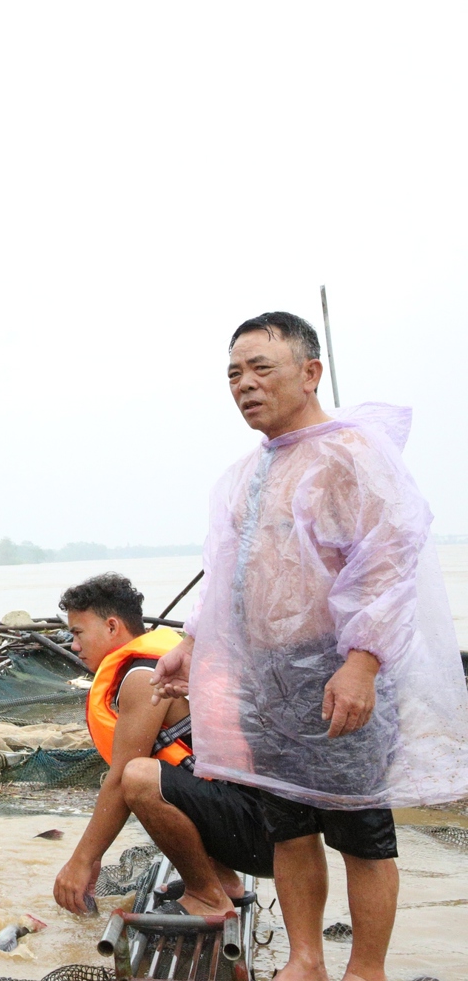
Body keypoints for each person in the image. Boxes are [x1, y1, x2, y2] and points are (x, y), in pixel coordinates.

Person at [151, 311, 468, 981]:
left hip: (335, 667)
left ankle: (367, 969)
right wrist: (193, 645)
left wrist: (362, 662)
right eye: (233, 373)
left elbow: (387, 563)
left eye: (261, 368)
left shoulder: (349, 453)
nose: (244, 384)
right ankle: (305, 960)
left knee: (361, 829)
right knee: (287, 823)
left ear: (311, 372)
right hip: (267, 677)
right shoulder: (246, 474)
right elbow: (229, 573)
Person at [51, 573, 272, 919]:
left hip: (264, 834)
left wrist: (81, 861)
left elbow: (121, 780)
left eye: (78, 633)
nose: (73, 645)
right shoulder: (160, 656)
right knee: (158, 774)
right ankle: (222, 882)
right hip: (258, 824)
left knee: (138, 777)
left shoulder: (143, 676)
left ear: (112, 627)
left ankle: (207, 898)